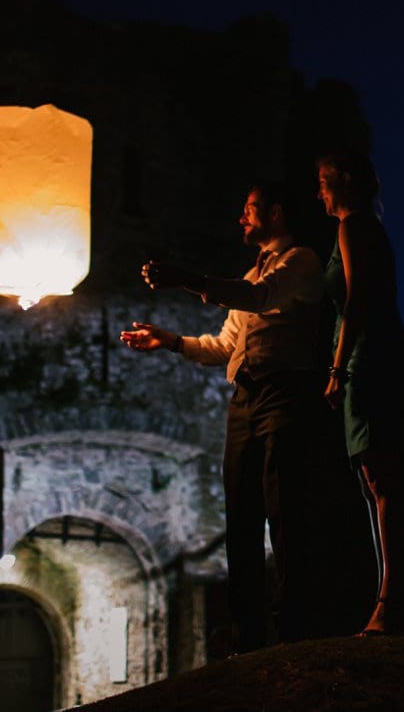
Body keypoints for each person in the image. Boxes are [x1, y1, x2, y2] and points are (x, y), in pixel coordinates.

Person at [120, 183, 325, 653]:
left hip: (283, 393)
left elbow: (259, 297)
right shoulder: (251, 272)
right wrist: (171, 341)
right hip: (245, 400)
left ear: (275, 213)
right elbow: (225, 345)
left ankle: (293, 627)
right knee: (241, 515)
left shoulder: (302, 262)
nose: (241, 219)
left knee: (283, 509)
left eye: (249, 210)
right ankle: (246, 635)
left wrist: (187, 279)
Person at [316, 151, 404, 636]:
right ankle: (387, 598)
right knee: (374, 480)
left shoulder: (354, 226)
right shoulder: (360, 228)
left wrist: (337, 367)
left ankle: (390, 602)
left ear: (346, 182)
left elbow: (356, 299)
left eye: (324, 181)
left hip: (370, 358)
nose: (319, 192)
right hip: (371, 355)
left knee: (382, 479)